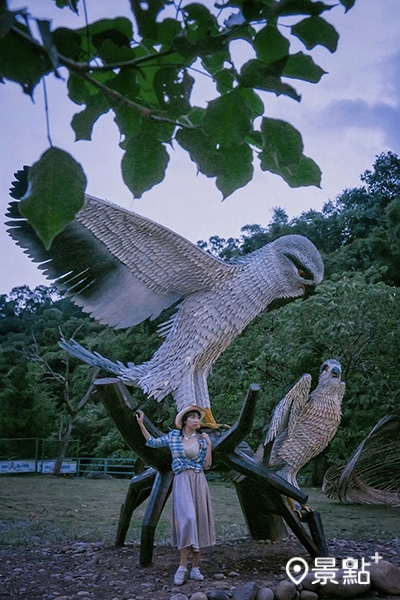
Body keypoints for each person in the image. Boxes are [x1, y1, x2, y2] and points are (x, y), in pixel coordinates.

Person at [136, 405, 215, 586]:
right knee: (188, 519)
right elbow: (153, 443)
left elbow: (206, 465)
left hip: (198, 481)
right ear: (185, 420)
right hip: (182, 481)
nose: (196, 420)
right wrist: (141, 425)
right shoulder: (173, 437)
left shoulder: (201, 440)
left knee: (199, 522)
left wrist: (209, 445)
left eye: (198, 418)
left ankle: (195, 568)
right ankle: (181, 567)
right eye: (193, 417)